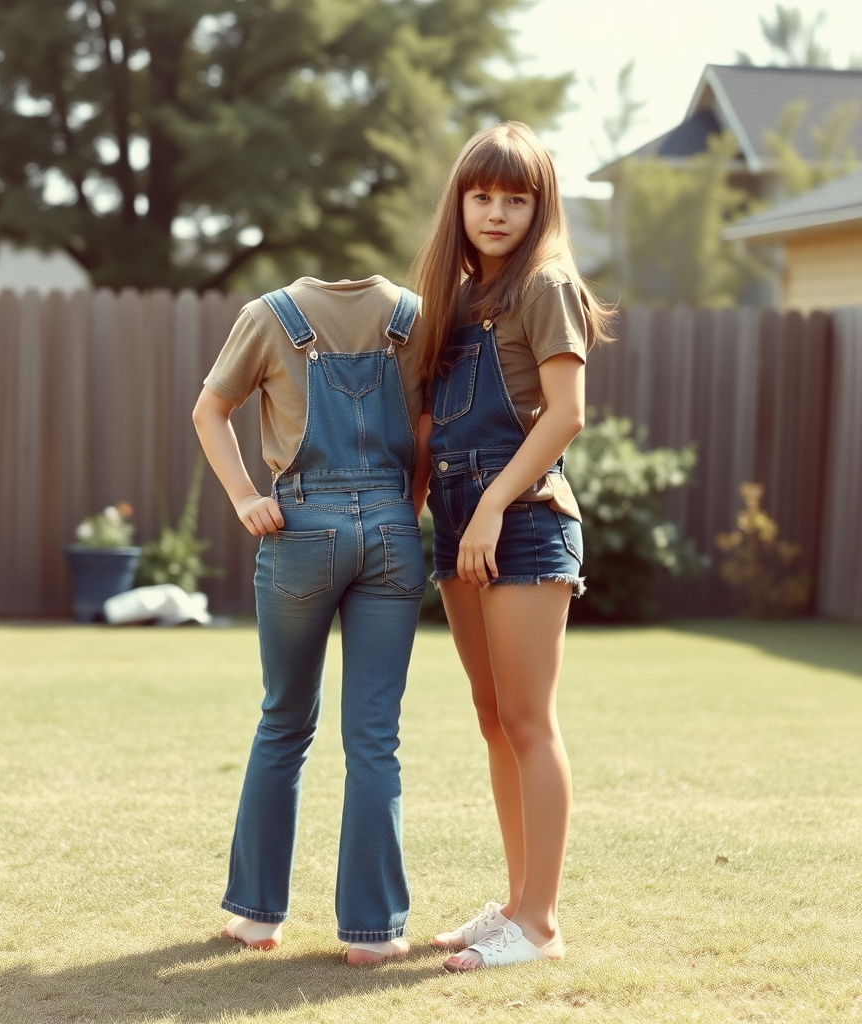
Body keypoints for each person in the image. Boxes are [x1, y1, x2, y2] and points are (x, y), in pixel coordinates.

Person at [410, 122, 612, 971]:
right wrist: (411, 511)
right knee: (493, 718)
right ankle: (515, 903)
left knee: (529, 720)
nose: (497, 212)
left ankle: (540, 923)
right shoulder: (452, 303)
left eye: (516, 197)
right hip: (460, 519)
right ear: (460, 201)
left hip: (521, 517)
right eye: (483, 195)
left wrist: (492, 505)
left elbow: (565, 414)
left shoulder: (546, 285)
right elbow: (424, 431)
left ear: (540, 206)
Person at [192, 276, 428, 966]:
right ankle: (376, 933)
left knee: (284, 722)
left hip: (299, 529)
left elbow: (210, 410)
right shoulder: (414, 317)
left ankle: (255, 920)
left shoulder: (268, 316)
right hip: (390, 528)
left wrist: (244, 497)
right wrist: (400, 507)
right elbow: (427, 427)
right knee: (374, 738)